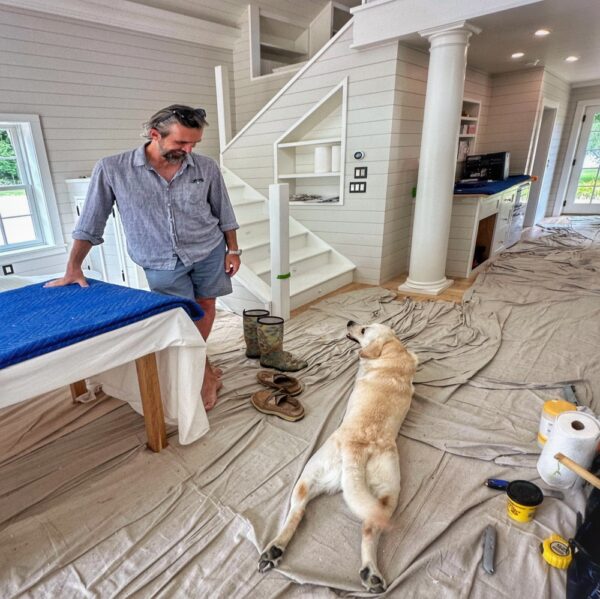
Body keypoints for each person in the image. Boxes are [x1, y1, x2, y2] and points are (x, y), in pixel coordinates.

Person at [46, 105, 241, 411]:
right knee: (178, 316)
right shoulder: (113, 169)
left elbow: (223, 212)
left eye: (194, 144)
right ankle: (203, 373)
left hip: (208, 249)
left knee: (205, 306)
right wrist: (73, 267)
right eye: (181, 143)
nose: (188, 150)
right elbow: (91, 222)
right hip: (159, 258)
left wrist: (233, 249)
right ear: (155, 134)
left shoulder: (206, 167)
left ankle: (198, 366)